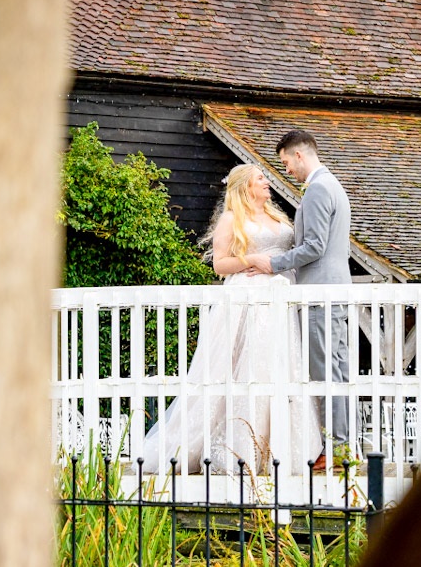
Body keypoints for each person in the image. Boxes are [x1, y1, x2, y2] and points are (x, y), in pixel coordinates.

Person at [138, 164, 321, 475]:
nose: (267, 183)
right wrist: (251, 259)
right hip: (246, 299)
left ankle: (278, 448)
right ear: (245, 186)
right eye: (260, 179)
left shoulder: (277, 216)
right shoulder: (231, 219)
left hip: (279, 301)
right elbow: (220, 265)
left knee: (280, 365)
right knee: (248, 367)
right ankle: (240, 447)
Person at [247, 129, 352, 470]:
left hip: (321, 291)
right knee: (335, 368)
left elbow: (316, 247)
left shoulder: (320, 189)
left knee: (325, 371)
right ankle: (343, 445)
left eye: (286, 163)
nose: (287, 170)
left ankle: (336, 449)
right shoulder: (331, 185)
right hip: (331, 288)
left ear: (300, 155)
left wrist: (273, 263)